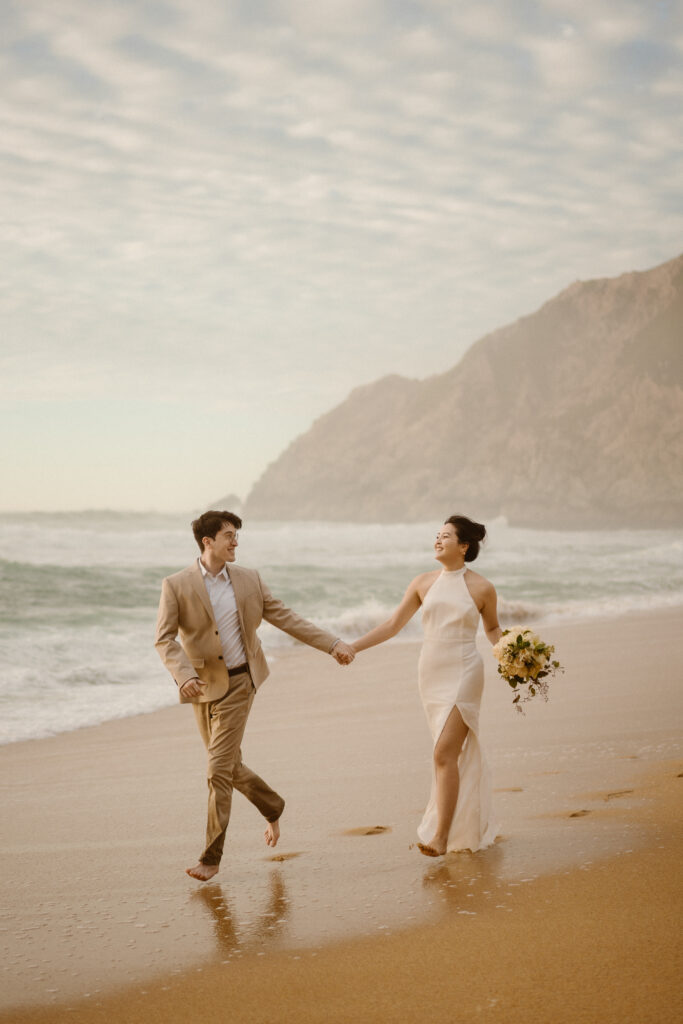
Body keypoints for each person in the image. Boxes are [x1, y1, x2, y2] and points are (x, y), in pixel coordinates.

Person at [155, 509, 355, 882]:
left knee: (216, 769)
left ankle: (211, 857)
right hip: (202, 687)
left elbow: (287, 618)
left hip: (241, 682)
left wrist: (332, 644)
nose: (236, 542)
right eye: (229, 535)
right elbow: (164, 639)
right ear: (207, 541)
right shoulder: (176, 585)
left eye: (237, 535)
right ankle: (272, 805)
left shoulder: (249, 579)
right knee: (229, 766)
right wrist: (183, 675)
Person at [351, 515, 501, 856]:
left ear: (463, 546)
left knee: (443, 753)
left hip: (465, 671)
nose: (438, 540)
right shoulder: (423, 582)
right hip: (431, 674)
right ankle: (454, 827)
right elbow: (393, 625)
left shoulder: (482, 588)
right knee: (444, 755)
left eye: (446, 536)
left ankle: (441, 837)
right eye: (437, 535)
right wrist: (353, 648)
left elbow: (492, 629)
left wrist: (511, 654)